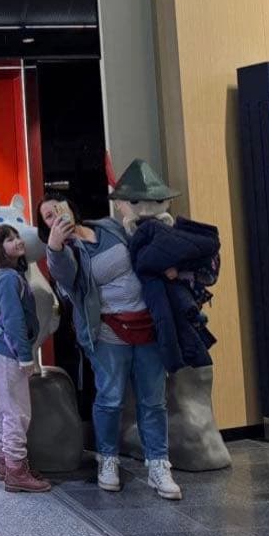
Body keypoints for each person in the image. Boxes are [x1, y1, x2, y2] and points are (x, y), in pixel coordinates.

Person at [38, 193, 182, 500]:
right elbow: (65, 278)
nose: (56, 216)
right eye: (48, 216)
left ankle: (158, 465)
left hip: (147, 323)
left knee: (153, 400)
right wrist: (55, 247)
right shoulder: (66, 251)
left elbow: (141, 248)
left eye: (58, 208)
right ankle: (107, 460)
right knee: (111, 398)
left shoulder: (108, 227)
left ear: (71, 207)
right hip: (106, 332)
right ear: (45, 226)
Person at [0, 224, 50, 493]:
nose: (18, 241)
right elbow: (13, 320)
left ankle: (5, 463)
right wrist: (25, 356)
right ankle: (17, 471)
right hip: (10, 351)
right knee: (17, 411)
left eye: (17, 236)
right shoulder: (9, 278)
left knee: (4, 406)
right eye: (9, 239)